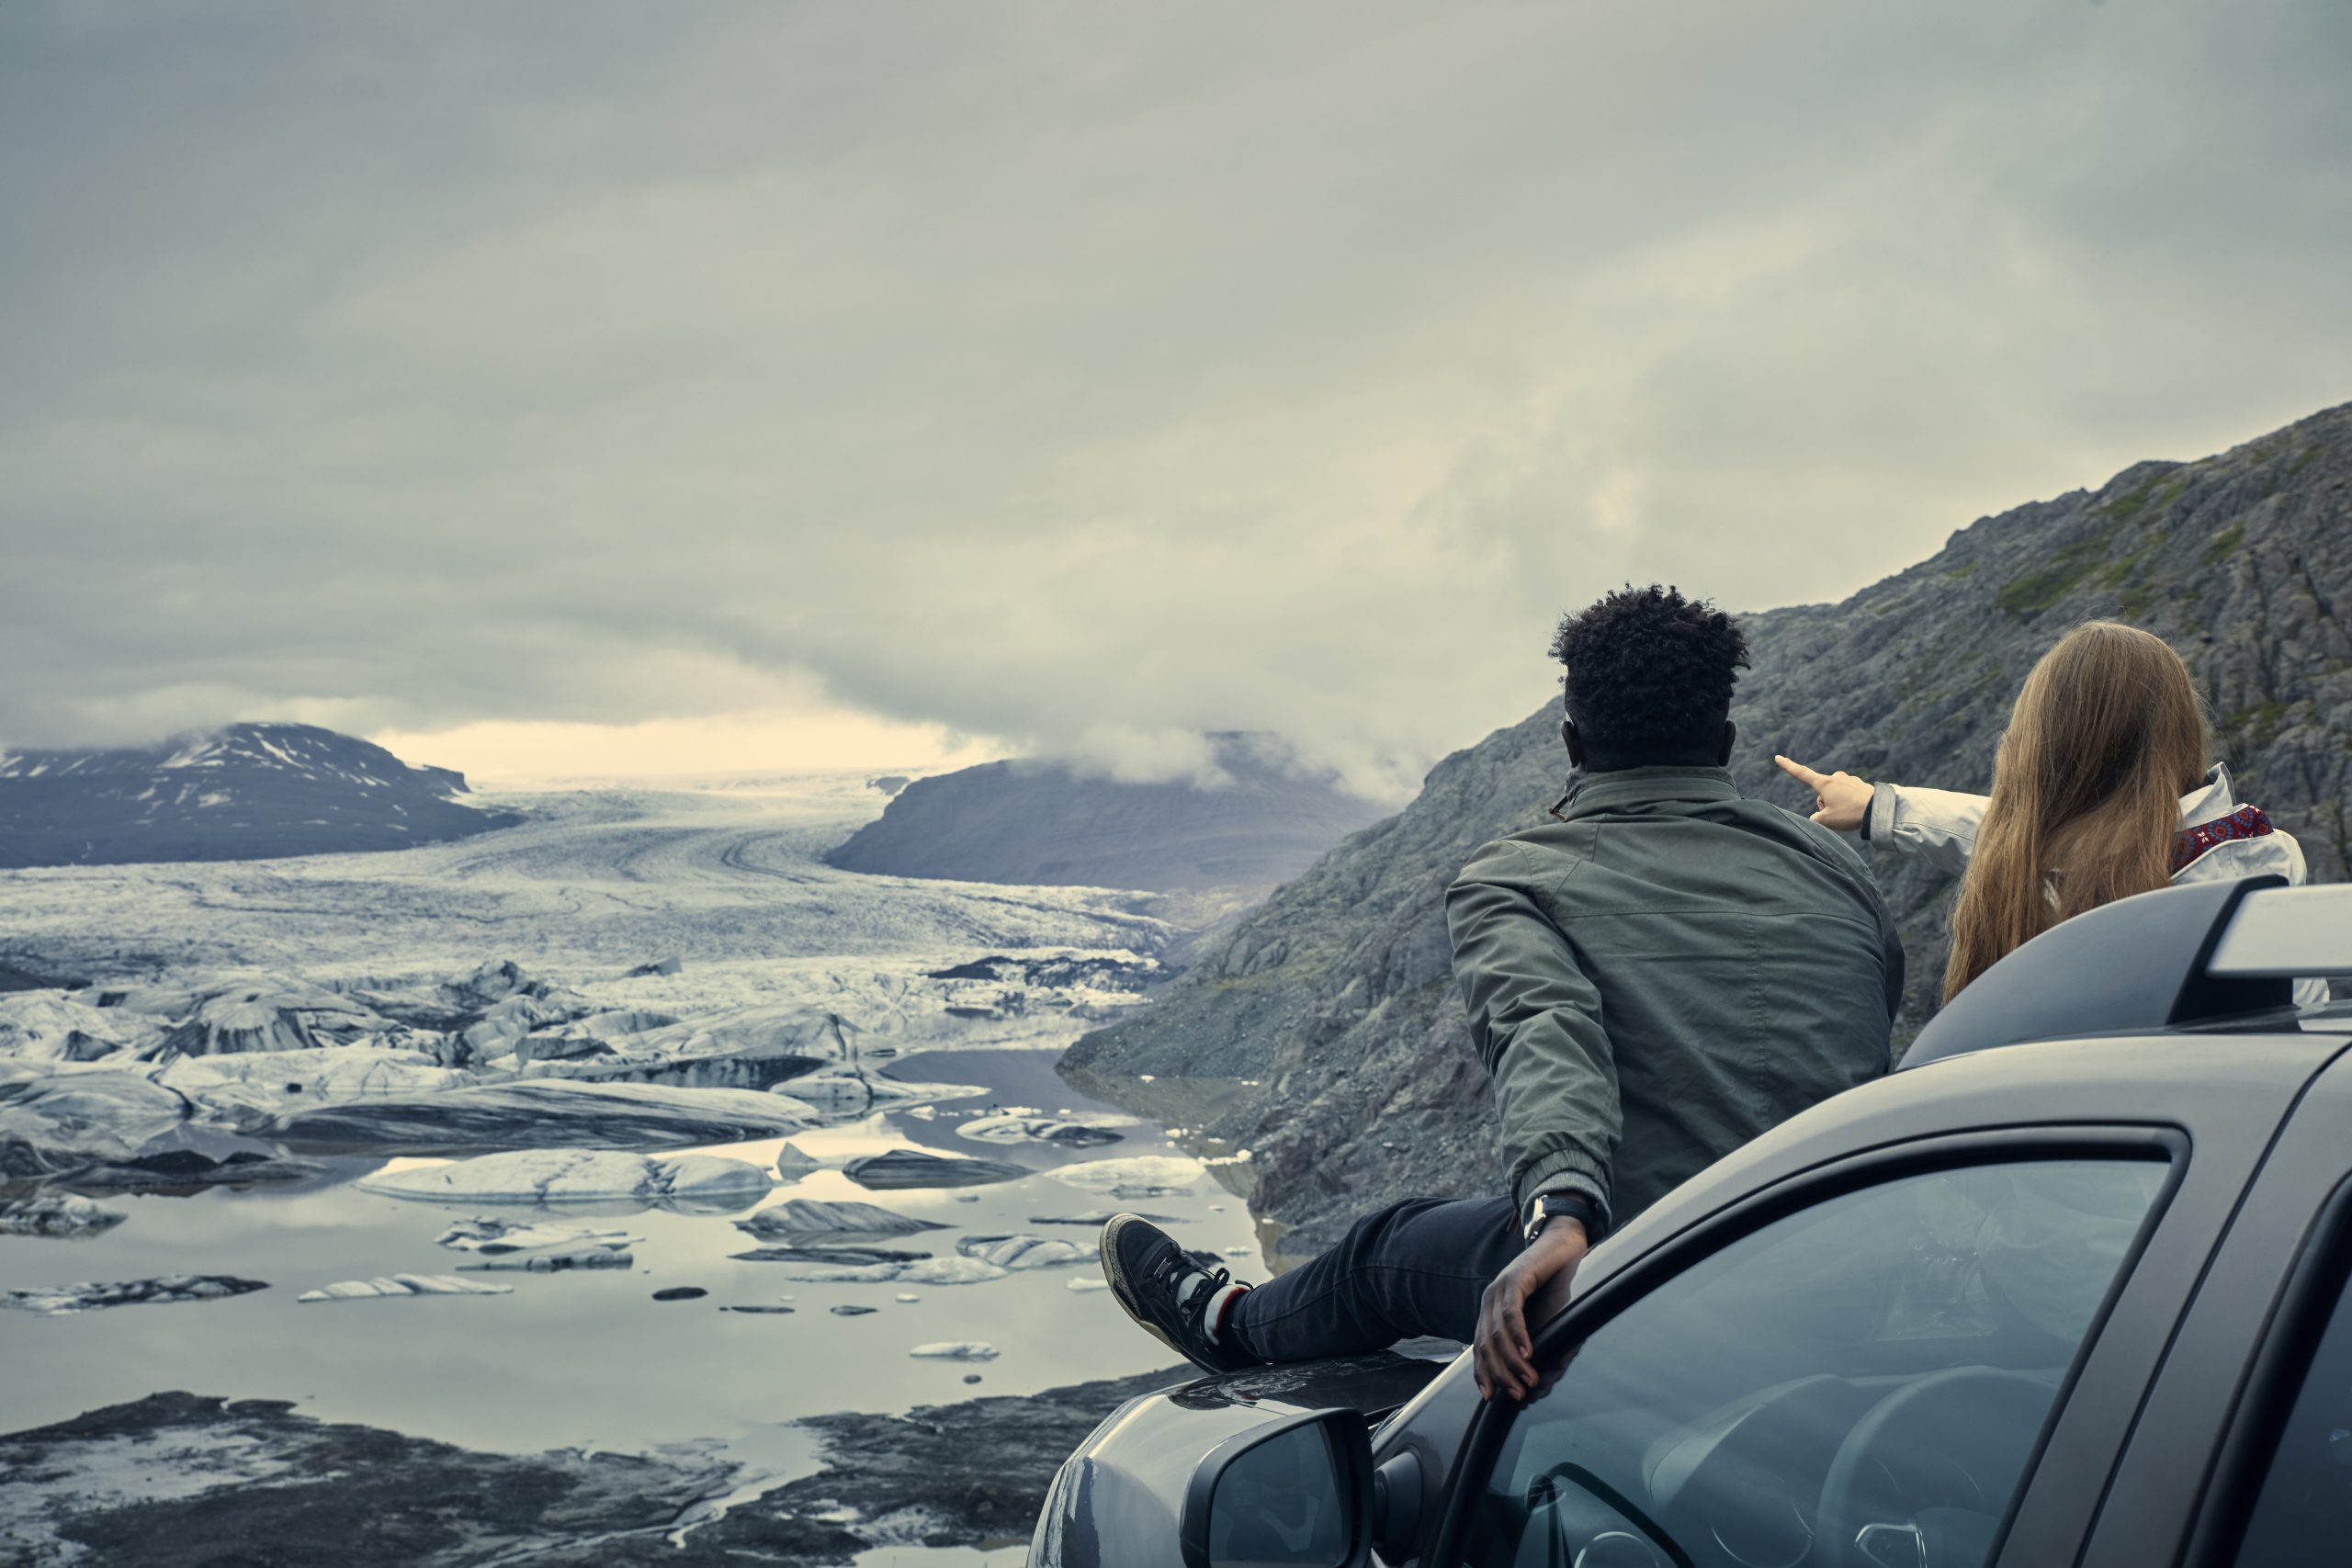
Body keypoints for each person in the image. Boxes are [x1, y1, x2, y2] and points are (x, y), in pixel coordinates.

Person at [1098, 585, 1905, 1403]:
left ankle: (1224, 1323)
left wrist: (1563, 1214)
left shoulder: (1514, 877)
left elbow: (1543, 1028)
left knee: (1385, 1250)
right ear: (1725, 740)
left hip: (1640, 1255)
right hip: (1838, 1254)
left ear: (1571, 741)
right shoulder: (1837, 867)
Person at [1775, 618, 2325, 1010]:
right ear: (2180, 730)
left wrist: (1881, 809)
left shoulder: (2055, 882)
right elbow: (2024, 834)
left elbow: (2019, 838)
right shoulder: (2267, 857)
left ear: (2047, 746)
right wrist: (1880, 807)